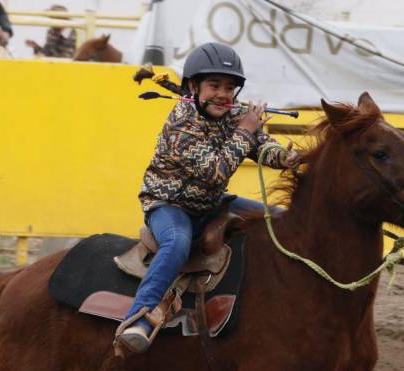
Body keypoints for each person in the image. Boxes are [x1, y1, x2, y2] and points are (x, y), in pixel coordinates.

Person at [115, 42, 301, 354]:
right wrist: (246, 130)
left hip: (212, 203)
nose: (223, 94)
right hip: (170, 205)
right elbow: (214, 171)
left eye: (230, 87)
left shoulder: (236, 117)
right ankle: (139, 317)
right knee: (176, 243)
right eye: (214, 85)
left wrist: (283, 156)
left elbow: (262, 146)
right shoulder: (180, 120)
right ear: (193, 86)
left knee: (279, 220)